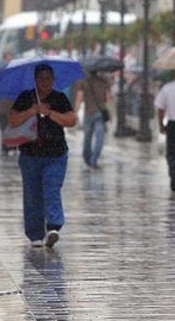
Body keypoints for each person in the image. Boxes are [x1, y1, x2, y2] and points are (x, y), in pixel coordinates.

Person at [9, 64, 76, 248]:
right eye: (41, 78)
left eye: (48, 78)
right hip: (30, 155)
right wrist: (33, 110)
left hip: (56, 154)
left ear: (53, 80)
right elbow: (13, 120)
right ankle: (35, 234)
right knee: (32, 194)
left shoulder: (59, 98)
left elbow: (71, 120)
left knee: (52, 188)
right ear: (35, 80)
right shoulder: (25, 98)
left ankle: (54, 226)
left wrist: (50, 113)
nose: (45, 82)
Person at [73, 71, 112, 169]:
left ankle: (87, 158)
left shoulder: (84, 82)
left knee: (87, 137)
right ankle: (94, 160)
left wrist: (75, 112)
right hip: (100, 113)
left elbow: (79, 98)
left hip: (88, 113)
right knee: (100, 138)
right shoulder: (104, 81)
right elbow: (108, 99)